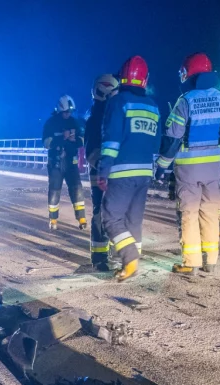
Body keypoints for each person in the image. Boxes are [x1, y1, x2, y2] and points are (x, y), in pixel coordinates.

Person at [156, 53, 220, 274]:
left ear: (188, 74)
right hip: (213, 168)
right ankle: (210, 261)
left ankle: (191, 262)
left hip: (188, 169)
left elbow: (173, 139)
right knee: (210, 212)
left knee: (189, 214)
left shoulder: (185, 101)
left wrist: (162, 166)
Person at [96, 55, 161, 282]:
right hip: (144, 172)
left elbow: (111, 141)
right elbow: (156, 142)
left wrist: (103, 171)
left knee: (111, 218)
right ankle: (133, 262)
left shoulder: (118, 102)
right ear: (145, 80)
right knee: (134, 219)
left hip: (122, 171)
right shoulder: (153, 106)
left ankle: (130, 257)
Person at [84, 74, 119, 270]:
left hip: (104, 171)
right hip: (102, 173)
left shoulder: (97, 116)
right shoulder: (97, 117)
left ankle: (102, 257)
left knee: (103, 211)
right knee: (103, 212)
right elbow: (91, 150)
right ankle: (100, 257)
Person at [42, 96, 86, 230]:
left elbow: (82, 140)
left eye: (70, 112)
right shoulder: (51, 123)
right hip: (56, 163)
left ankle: (82, 219)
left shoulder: (74, 122)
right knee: (55, 190)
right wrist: (63, 138)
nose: (68, 114)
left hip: (71, 162)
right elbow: (46, 143)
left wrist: (74, 140)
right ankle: (53, 219)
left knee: (77, 189)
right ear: (60, 110)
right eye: (66, 112)